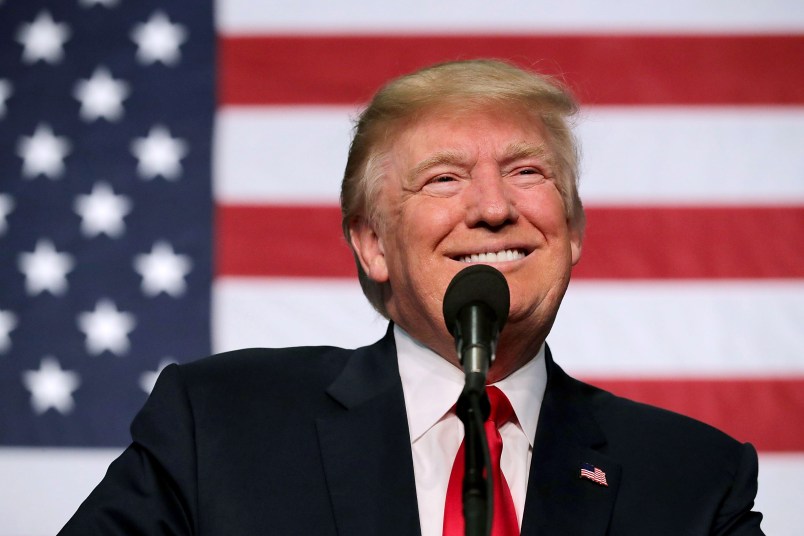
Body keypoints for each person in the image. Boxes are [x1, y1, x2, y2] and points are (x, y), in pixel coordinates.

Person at [59, 59, 764, 535]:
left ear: (573, 229)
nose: (493, 208)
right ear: (371, 241)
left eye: (526, 171)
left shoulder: (696, 479)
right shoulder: (217, 424)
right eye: (444, 179)